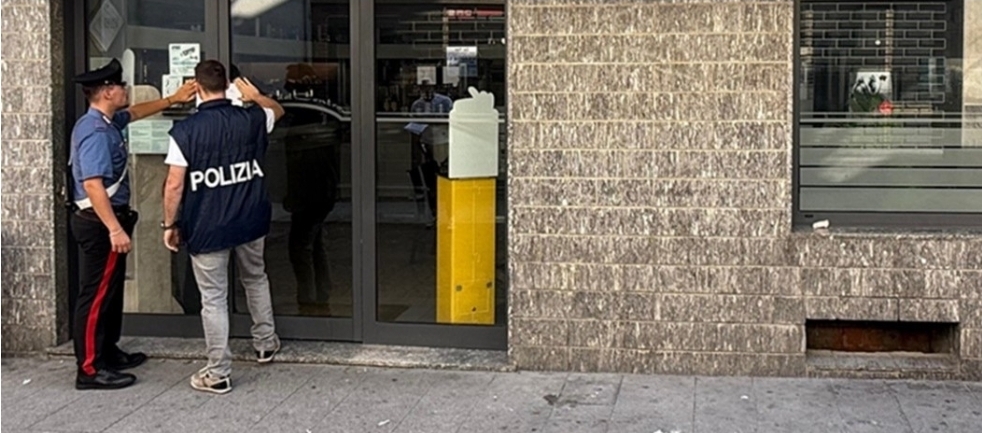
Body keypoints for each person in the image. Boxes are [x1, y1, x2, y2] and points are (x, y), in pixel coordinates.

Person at [69, 58, 196, 390]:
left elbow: (137, 112)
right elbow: (93, 185)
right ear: (107, 92)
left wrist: (173, 99)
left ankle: (107, 351)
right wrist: (114, 229)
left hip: (107, 219)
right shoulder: (96, 132)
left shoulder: (108, 121)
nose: (125, 89)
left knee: (110, 293)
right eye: (120, 85)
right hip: (100, 223)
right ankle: (90, 369)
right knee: (96, 296)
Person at [161, 60, 285, 394]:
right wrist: (256, 96)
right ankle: (265, 342)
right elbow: (278, 110)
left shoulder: (186, 131)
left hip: (208, 224)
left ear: (197, 87)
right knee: (255, 278)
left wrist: (169, 224)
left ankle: (217, 372)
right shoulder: (252, 119)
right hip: (249, 218)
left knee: (214, 298)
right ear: (229, 85)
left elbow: (174, 185)